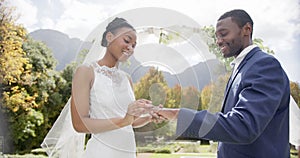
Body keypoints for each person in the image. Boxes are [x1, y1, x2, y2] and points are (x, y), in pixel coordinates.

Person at [157, 9, 290, 157]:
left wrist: (178, 114)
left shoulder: (264, 65)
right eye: (217, 36)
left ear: (247, 29)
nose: (219, 41)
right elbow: (229, 122)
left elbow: (243, 126)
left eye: (224, 34)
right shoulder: (240, 68)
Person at [42, 17, 157, 158]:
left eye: (134, 45)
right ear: (109, 37)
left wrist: (148, 117)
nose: (130, 48)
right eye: (127, 41)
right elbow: (79, 124)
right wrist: (124, 120)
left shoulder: (126, 78)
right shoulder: (86, 71)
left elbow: (128, 123)